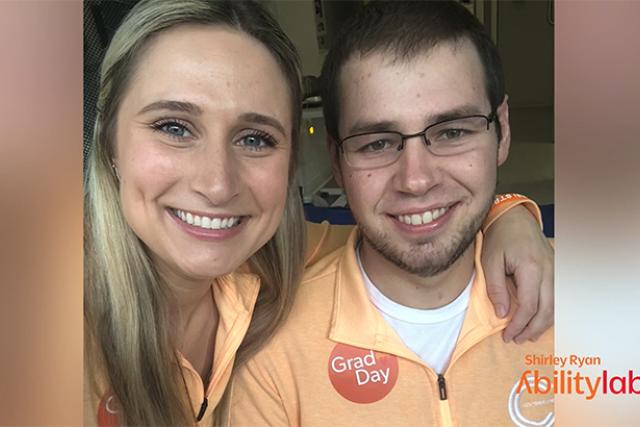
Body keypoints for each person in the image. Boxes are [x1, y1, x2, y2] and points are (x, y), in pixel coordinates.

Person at [83, 1, 552, 425]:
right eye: (173, 127)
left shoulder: (280, 257)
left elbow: (417, 230)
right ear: (108, 139)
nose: (217, 184)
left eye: (254, 138)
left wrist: (506, 212)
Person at [228, 2, 554, 426]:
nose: (416, 180)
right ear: (337, 160)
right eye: (377, 143)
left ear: (502, 130)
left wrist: (510, 211)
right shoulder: (271, 356)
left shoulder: (600, 303)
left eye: (452, 132)